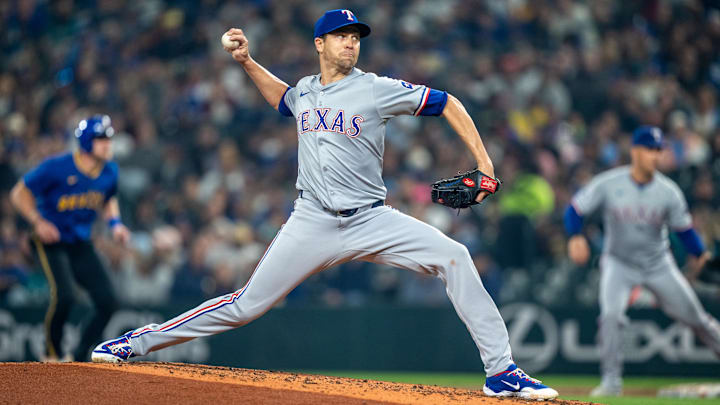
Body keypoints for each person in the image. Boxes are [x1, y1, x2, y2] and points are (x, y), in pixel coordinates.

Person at [91, 9, 558, 400]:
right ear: (320, 43)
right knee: (245, 304)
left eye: (356, 37)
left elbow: (448, 102)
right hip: (312, 220)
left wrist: (485, 164)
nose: (351, 44)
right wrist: (248, 61)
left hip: (373, 218)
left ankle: (501, 373)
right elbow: (285, 100)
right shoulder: (306, 90)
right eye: (341, 36)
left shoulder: (375, 88)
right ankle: (136, 343)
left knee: (455, 257)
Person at [564, 126, 720, 397]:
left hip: (658, 264)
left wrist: (700, 255)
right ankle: (611, 383)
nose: (656, 155)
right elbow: (575, 209)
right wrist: (575, 236)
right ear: (635, 151)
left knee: (697, 319)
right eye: (650, 149)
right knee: (611, 316)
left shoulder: (668, 191)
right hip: (618, 263)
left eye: (659, 150)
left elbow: (685, 232)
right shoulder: (610, 183)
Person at [10, 114, 130, 361]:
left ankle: (78, 356)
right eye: (101, 139)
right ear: (87, 142)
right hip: (50, 240)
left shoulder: (110, 171)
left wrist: (115, 224)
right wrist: (38, 221)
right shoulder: (58, 167)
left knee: (109, 302)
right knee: (66, 295)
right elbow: (19, 193)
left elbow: (109, 199)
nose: (108, 143)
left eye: (109, 138)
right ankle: (51, 353)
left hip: (80, 242)